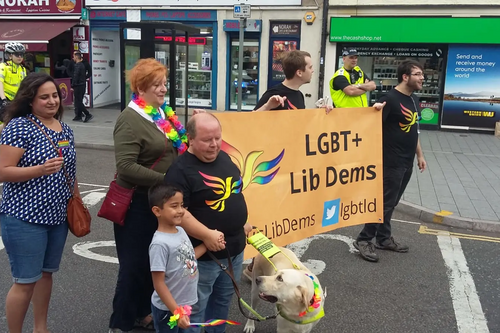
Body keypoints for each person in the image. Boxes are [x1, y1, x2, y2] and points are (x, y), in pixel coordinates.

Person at [109, 58, 224, 333]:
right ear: (140, 87)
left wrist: (192, 126)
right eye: (157, 84)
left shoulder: (160, 114)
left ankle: (145, 313)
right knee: (134, 265)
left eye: (164, 83)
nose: (163, 89)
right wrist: (167, 181)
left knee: (158, 263)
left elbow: (179, 144)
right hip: (139, 203)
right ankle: (121, 322)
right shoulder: (130, 119)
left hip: (160, 201)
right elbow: (125, 166)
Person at [0, 72, 78, 333]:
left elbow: (71, 172)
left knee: (46, 275)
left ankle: (40, 329)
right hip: (24, 218)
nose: (51, 101)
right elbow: (2, 170)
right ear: (30, 100)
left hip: (57, 218)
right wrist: (38, 170)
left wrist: (76, 201)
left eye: (55, 95)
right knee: (25, 281)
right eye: (43, 97)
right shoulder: (19, 126)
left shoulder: (65, 129)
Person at [164, 112, 252, 333]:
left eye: (218, 138)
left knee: (221, 305)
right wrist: (206, 234)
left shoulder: (225, 158)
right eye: (207, 140)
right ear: (190, 140)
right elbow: (178, 212)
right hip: (203, 257)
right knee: (195, 310)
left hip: (234, 251)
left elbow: (235, 193)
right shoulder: (179, 171)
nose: (214, 145)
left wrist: (242, 222)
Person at [354, 60, 427, 263]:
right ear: (405, 77)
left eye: (422, 74)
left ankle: (384, 239)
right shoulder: (390, 99)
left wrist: (419, 155)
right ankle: (364, 239)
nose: (422, 78)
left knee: (391, 203)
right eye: (418, 74)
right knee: (384, 203)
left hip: (406, 162)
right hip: (390, 162)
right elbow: (368, 127)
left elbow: (414, 130)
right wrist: (372, 111)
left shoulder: (414, 100)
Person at [149, 183, 222, 333]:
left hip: (185, 305)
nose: (180, 211)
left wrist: (208, 244)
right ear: (157, 211)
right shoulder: (159, 244)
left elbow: (188, 259)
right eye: (174, 206)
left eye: (182, 205)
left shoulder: (181, 231)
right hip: (168, 309)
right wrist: (176, 311)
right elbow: (158, 283)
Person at [0, 42, 28, 123]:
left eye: (21, 55)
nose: (19, 57)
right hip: (4, 99)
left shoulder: (22, 69)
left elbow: (24, 85)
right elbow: (0, 82)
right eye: (17, 54)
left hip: (16, 100)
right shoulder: (3, 67)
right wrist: (3, 99)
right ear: (9, 55)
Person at [71, 52, 93, 122]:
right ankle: (79, 116)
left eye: (74, 56)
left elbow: (76, 76)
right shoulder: (82, 65)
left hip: (78, 86)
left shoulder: (78, 65)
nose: (73, 58)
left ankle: (87, 114)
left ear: (76, 57)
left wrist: (73, 85)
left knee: (78, 102)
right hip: (82, 85)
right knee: (79, 101)